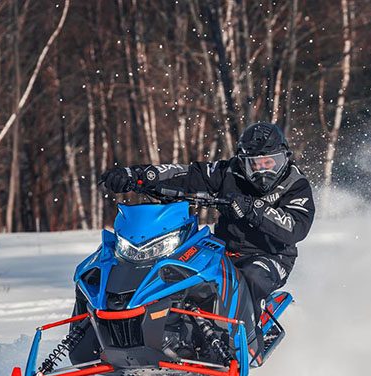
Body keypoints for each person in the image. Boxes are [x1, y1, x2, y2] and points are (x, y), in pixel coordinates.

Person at [100, 122, 315, 346]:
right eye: (255, 165)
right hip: (222, 249)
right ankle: (166, 335)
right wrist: (139, 175)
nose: (262, 171)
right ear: (243, 162)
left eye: (269, 163)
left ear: (283, 158)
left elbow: (295, 228)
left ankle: (250, 343)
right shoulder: (228, 172)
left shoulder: (295, 184)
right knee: (176, 268)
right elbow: (187, 175)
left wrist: (253, 209)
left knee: (251, 278)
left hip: (270, 256)